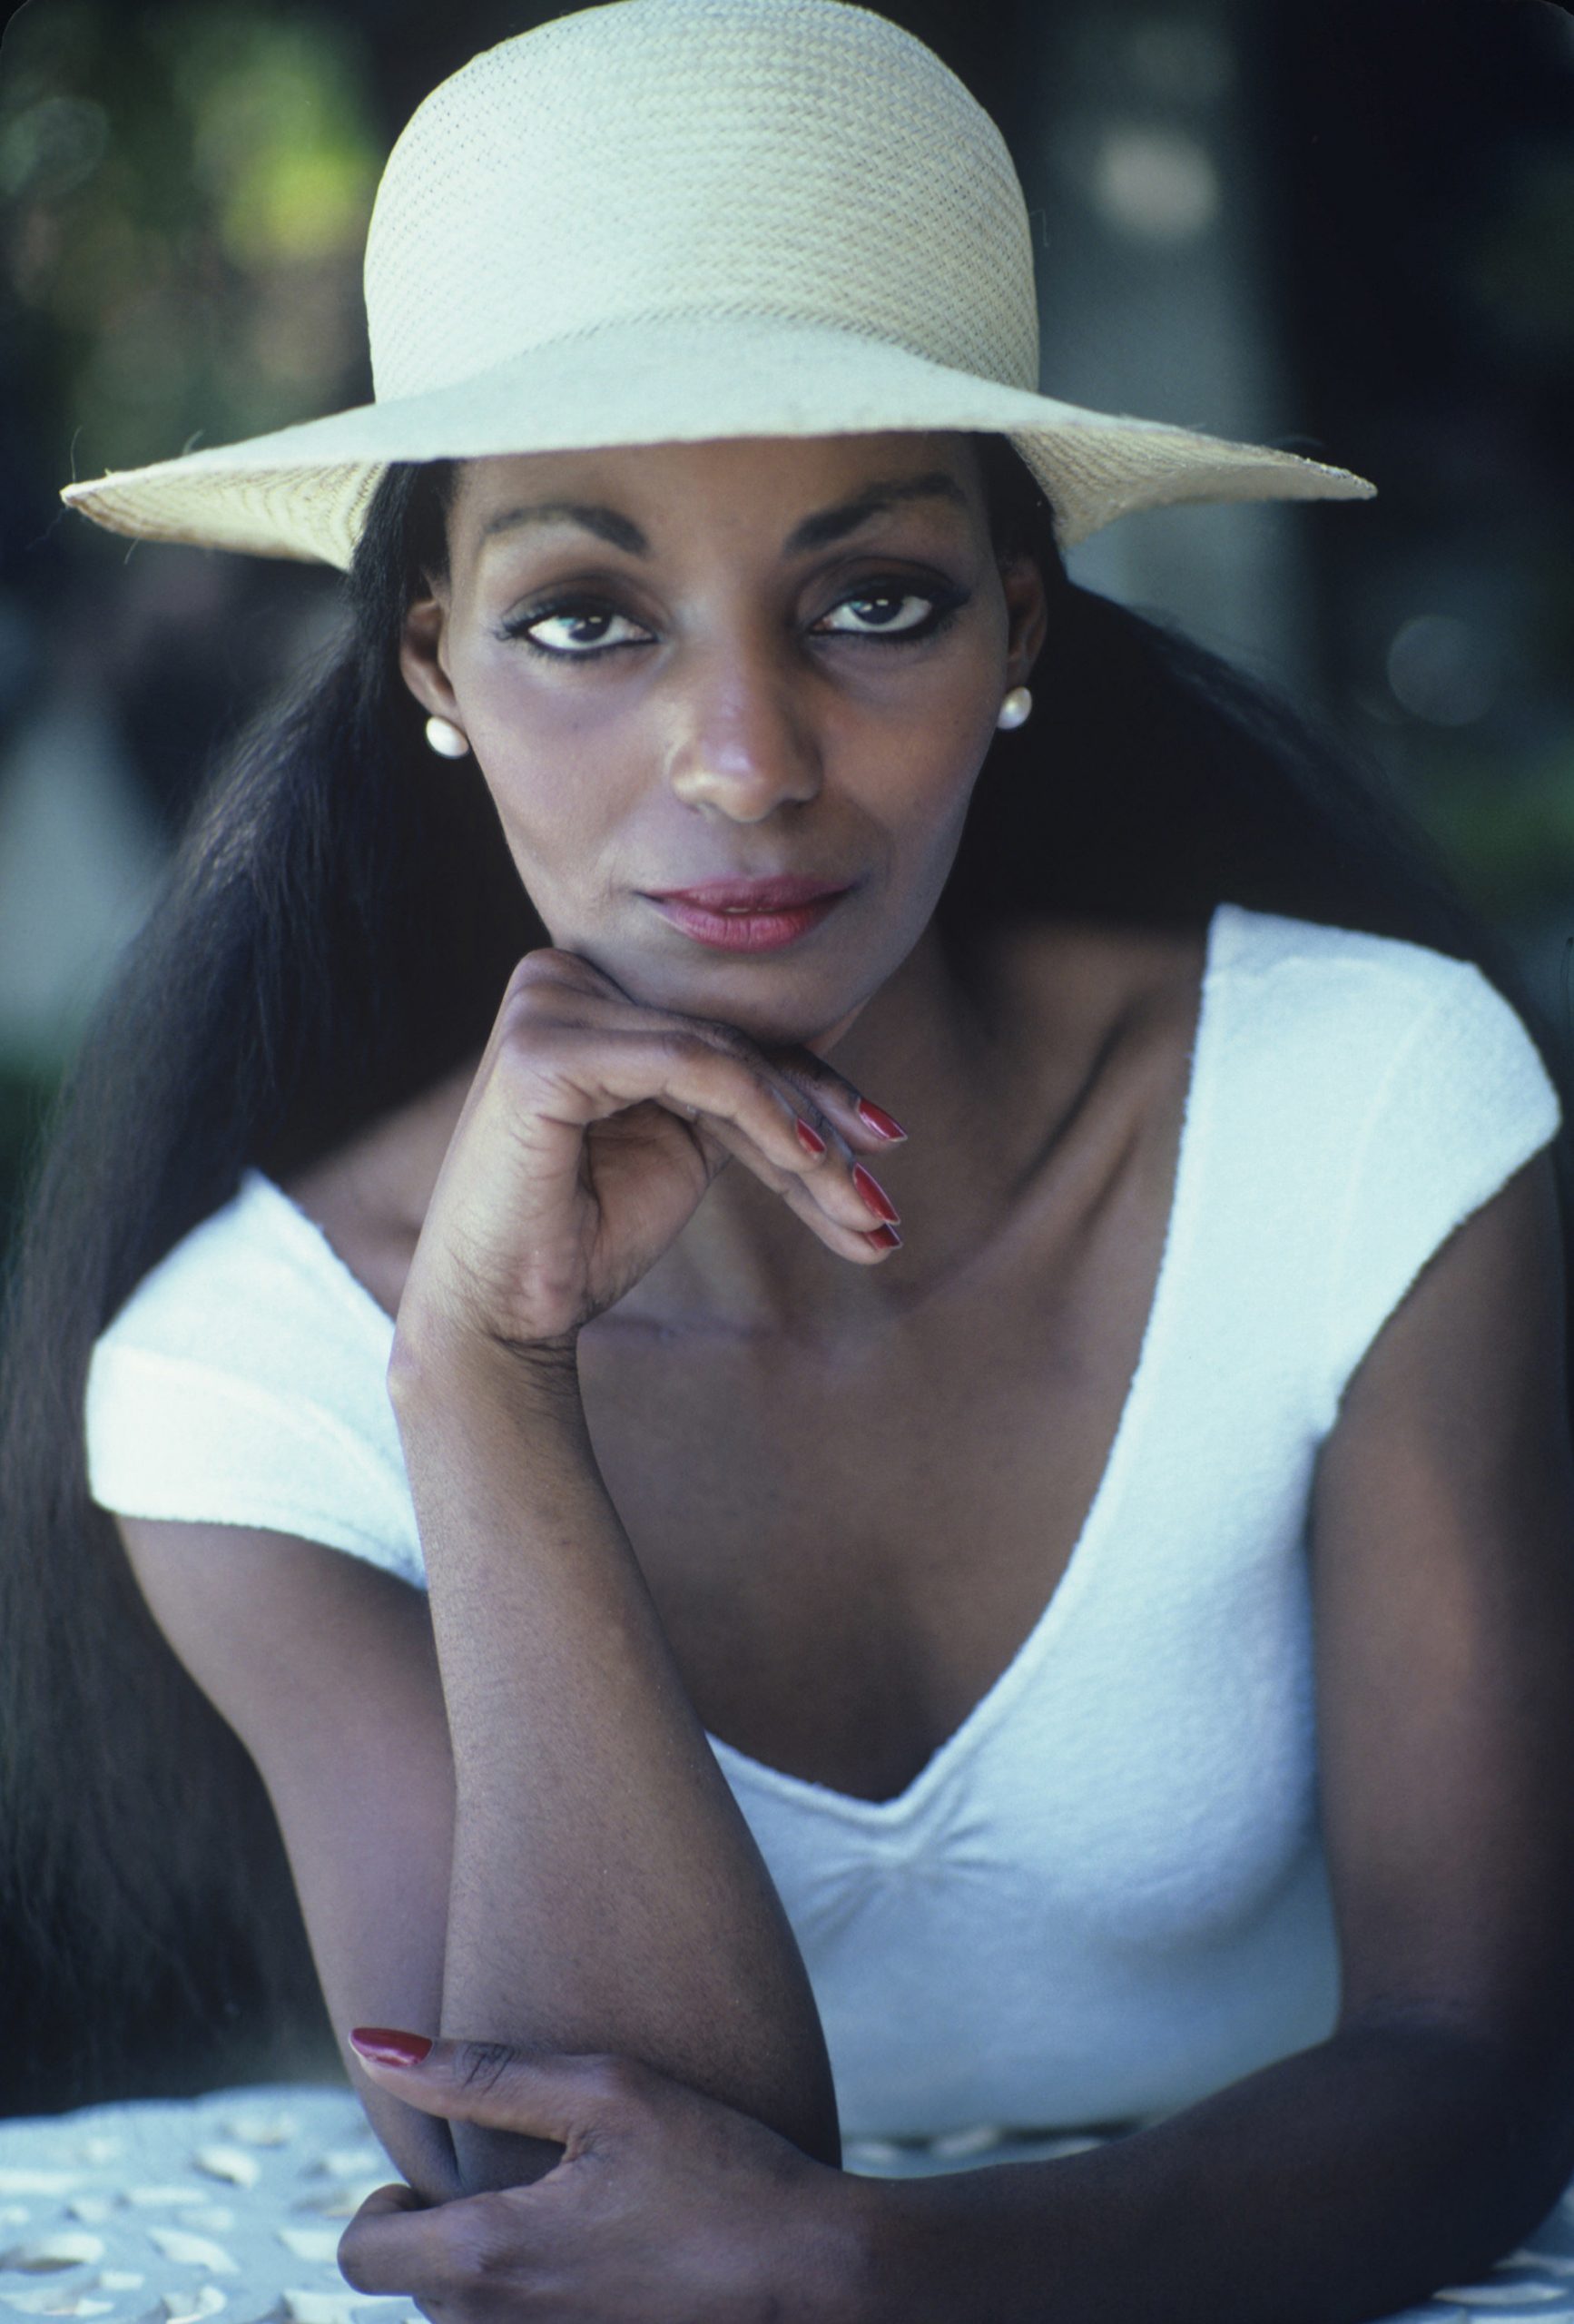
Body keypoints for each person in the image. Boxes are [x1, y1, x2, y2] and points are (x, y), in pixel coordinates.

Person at [4, 1, 1574, 2317]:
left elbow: (1480, 2068)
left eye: (873, 600)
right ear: (432, 660)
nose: (744, 759)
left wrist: (875, 2263)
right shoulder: (244, 1383)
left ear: (1019, 623)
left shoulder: (1362, 1115)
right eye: (582, 620)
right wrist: (483, 1366)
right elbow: (552, 2184)